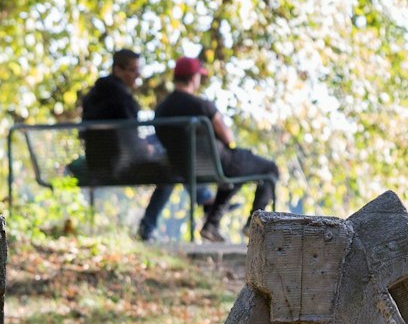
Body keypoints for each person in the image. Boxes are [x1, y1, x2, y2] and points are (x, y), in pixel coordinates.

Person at [142, 55, 278, 242]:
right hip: (217, 163)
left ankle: (211, 225)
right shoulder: (201, 105)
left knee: (235, 172)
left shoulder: (161, 109)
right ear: (193, 77)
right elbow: (228, 137)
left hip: (182, 168)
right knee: (268, 169)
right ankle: (253, 226)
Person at [76, 49, 165, 186]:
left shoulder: (93, 96)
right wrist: (147, 148)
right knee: (173, 167)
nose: (137, 74)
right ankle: (207, 201)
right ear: (118, 70)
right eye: (133, 70)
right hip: (119, 165)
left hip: (96, 164)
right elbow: (131, 139)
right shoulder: (121, 99)